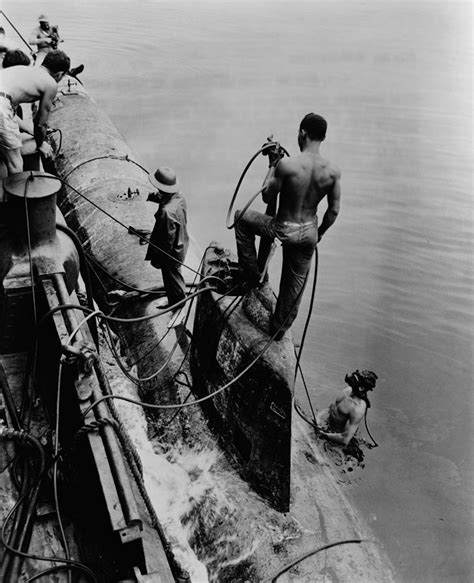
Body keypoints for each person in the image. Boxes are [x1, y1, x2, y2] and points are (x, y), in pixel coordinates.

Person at [234, 113, 341, 340]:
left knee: (241, 218)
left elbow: (266, 196)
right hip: (309, 232)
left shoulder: (287, 165)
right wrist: (319, 233)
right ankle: (279, 328)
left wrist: (273, 164)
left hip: (283, 228)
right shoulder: (333, 171)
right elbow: (333, 211)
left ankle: (252, 275)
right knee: (295, 283)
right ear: (322, 138)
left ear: (303, 133)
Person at [0, 49, 70, 175]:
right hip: (2, 104)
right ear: (59, 74)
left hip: (3, 101)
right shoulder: (50, 84)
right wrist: (40, 144)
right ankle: (16, 194)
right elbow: (39, 123)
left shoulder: (25, 70)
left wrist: (28, 129)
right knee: (15, 163)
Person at [145, 166, 189, 327]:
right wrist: (151, 197)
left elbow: (167, 239)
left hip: (171, 251)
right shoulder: (179, 197)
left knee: (173, 278)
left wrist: (159, 256)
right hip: (182, 240)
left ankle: (179, 308)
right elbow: (166, 198)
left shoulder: (166, 213)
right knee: (170, 278)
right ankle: (172, 300)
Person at [318, 370, 378, 446]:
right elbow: (331, 407)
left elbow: (345, 439)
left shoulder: (358, 408)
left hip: (336, 437)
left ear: (361, 388)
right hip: (326, 425)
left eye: (357, 378)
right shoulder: (348, 390)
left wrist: (324, 435)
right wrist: (318, 419)